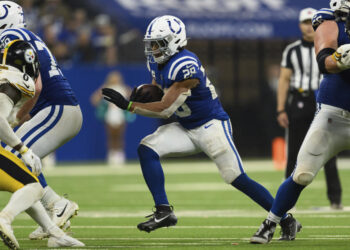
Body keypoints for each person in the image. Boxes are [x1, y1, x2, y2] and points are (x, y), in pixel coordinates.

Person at [102, 15, 300, 239]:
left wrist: (130, 105)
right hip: (186, 126)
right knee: (147, 148)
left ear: (174, 41)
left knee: (236, 177)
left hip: (211, 126)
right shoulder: (158, 62)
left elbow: (166, 108)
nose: (153, 48)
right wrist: (148, 90)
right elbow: (159, 87)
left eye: (158, 43)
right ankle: (164, 211)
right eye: (152, 43)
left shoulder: (185, 64)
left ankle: (286, 220)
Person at [250, 1, 350, 244]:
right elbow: (324, 61)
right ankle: (271, 222)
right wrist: (339, 60)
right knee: (302, 173)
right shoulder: (330, 19)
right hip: (334, 114)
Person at [0, 1, 82, 239]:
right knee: (14, 158)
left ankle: (54, 207)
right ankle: (55, 211)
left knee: (14, 157)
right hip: (57, 109)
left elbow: (36, 85)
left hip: (57, 109)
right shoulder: (24, 35)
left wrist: (19, 115)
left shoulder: (12, 35)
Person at [276, 8, 342, 209]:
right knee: (294, 150)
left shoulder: (331, 45)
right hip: (300, 100)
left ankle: (335, 199)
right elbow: (284, 80)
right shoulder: (292, 50)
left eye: (310, 22)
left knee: (329, 152)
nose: (308, 26)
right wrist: (280, 109)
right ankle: (287, 203)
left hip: (324, 98)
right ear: (299, 25)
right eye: (305, 22)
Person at [91, 71, 130, 165]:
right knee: (111, 136)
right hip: (110, 115)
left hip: (120, 115)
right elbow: (94, 99)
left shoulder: (123, 88)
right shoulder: (106, 89)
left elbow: (132, 96)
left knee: (119, 136)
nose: (115, 80)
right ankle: (111, 155)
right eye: (113, 78)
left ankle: (120, 155)